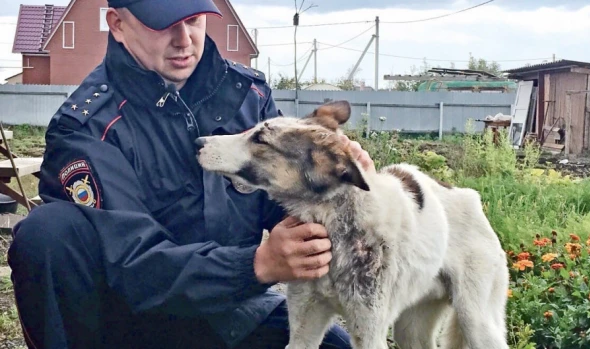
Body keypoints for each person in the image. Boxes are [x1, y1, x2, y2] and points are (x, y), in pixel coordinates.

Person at [7, 0, 377, 348]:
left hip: (227, 311)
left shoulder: (248, 96)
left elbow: (287, 207)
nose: (184, 41)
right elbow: (132, 265)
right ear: (117, 25)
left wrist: (338, 185)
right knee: (46, 231)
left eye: (194, 20)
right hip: (125, 320)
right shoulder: (88, 127)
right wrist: (258, 264)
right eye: (163, 25)